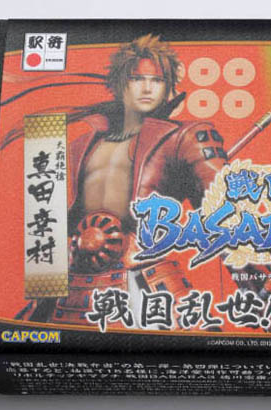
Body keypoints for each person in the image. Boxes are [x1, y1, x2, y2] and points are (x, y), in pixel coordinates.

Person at [20, 34, 231, 326]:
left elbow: (224, 213)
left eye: (157, 80)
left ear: (168, 87)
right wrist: (42, 294)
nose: (147, 88)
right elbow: (47, 227)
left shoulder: (184, 138)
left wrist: (254, 270)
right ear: (120, 83)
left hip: (144, 282)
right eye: (137, 78)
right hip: (73, 288)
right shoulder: (80, 145)